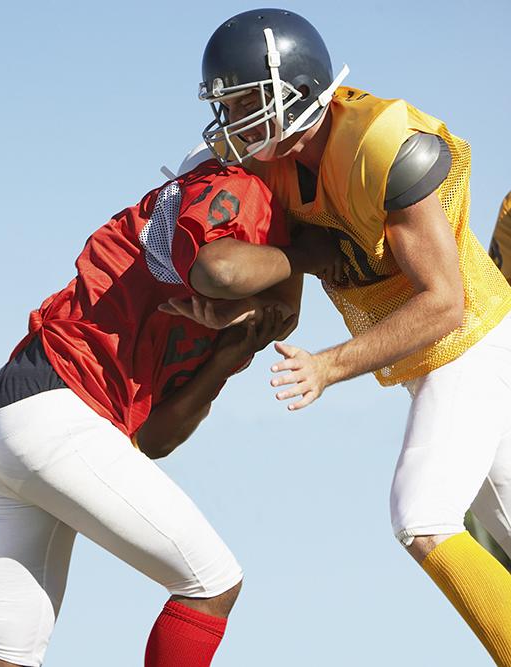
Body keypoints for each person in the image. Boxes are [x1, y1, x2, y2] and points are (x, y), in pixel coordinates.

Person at [188, 8, 511, 663]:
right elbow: (289, 304)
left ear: (296, 89)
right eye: (230, 105)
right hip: (436, 359)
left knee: (421, 511)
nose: (235, 121)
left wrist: (330, 367)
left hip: (472, 340)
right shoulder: (274, 170)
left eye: (248, 101)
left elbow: (444, 303)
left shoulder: (380, 141)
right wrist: (232, 320)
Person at [0, 158, 341, 667]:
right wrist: (305, 255)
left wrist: (225, 358)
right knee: (211, 583)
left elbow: (156, 441)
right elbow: (220, 268)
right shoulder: (237, 188)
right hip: (58, 408)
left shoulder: (224, 309)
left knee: (6, 653)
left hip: (8, 418)